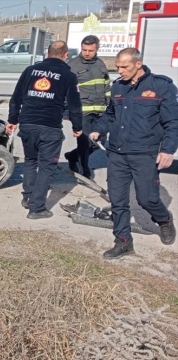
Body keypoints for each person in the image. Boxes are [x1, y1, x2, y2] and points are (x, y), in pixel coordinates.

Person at [89, 48, 177, 259]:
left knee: (147, 199)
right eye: (117, 66)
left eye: (124, 67)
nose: (119, 71)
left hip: (145, 153)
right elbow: (110, 115)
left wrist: (167, 150)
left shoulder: (161, 86)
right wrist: (99, 129)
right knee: (118, 200)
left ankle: (164, 219)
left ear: (138, 64)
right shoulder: (118, 86)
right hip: (117, 153)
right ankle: (123, 241)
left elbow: (173, 122)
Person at [6, 41, 83, 219]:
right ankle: (37, 207)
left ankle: (27, 197)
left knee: (31, 161)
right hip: (50, 126)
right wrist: (77, 127)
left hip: (27, 124)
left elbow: (16, 97)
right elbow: (75, 106)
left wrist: (12, 120)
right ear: (66, 56)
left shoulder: (30, 71)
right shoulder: (68, 75)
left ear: (47, 54)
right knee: (47, 167)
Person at [65, 35, 111, 178]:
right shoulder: (73, 65)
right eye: (84, 49)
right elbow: (66, 89)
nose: (86, 53)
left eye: (90, 50)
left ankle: (73, 156)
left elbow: (106, 85)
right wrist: (67, 110)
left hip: (100, 110)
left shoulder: (101, 64)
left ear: (96, 49)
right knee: (84, 141)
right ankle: (85, 169)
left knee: (100, 140)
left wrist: (109, 104)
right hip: (82, 111)